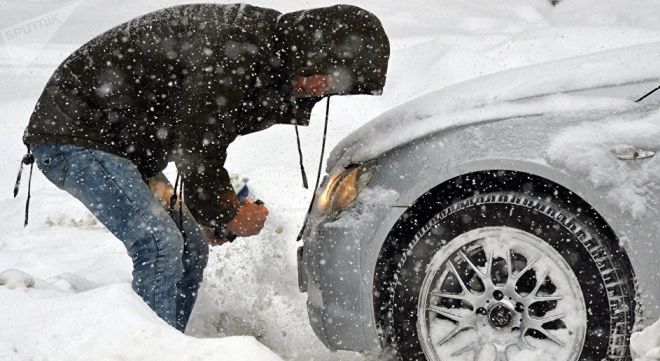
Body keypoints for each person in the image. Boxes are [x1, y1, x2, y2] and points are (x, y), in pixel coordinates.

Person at [18, 3, 389, 331]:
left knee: (192, 247)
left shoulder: (264, 58)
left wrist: (211, 215)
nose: (325, 89)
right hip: (76, 135)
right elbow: (195, 146)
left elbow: (201, 137)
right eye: (333, 76)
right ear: (316, 50)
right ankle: (151, 357)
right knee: (159, 244)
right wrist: (225, 212)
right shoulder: (236, 51)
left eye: (338, 86)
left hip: (120, 147)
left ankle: (171, 343)